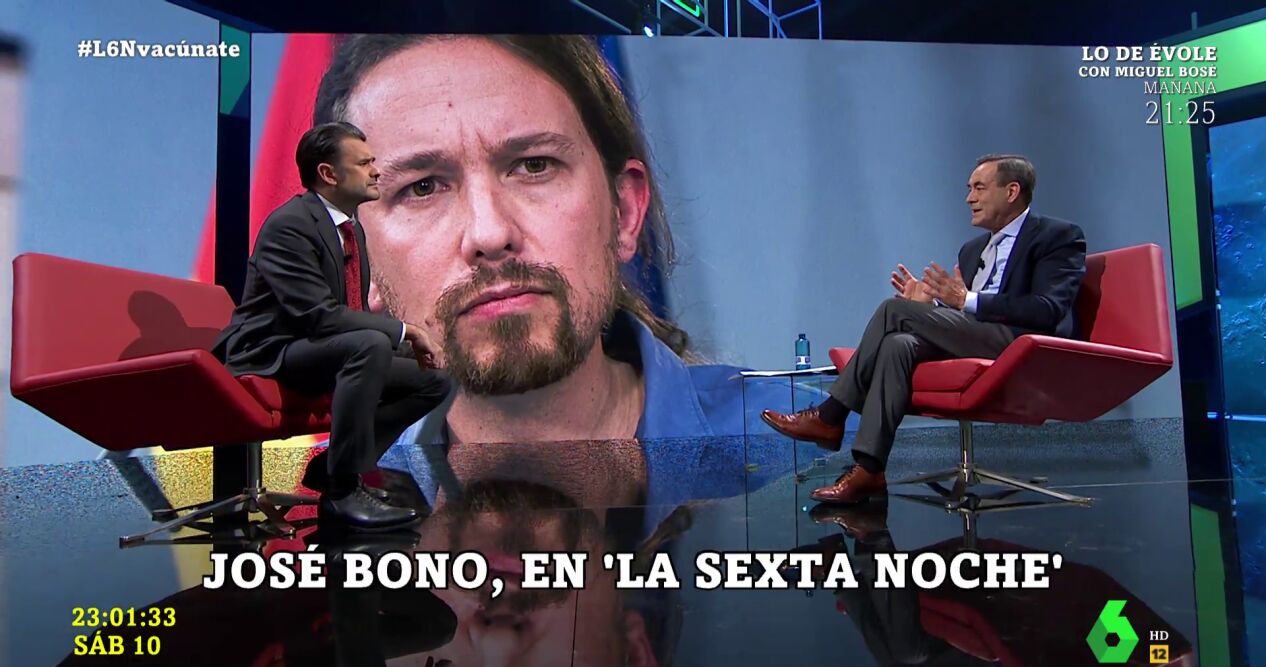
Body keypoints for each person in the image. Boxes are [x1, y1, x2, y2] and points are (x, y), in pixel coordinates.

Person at [308, 34, 797, 447]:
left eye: (534, 165)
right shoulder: (311, 501)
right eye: (422, 188)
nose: (490, 234)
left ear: (625, 213)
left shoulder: (806, 450)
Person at [761, 155, 1086, 503]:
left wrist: (963, 300)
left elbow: (1048, 310)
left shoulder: (1057, 236)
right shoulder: (973, 250)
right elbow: (963, 313)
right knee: (897, 344)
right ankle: (869, 469)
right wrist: (929, 307)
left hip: (1021, 345)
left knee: (893, 310)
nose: (969, 198)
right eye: (969, 189)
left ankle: (830, 415)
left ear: (1011, 191)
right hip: (978, 335)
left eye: (979, 188)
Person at [211, 121, 451, 529]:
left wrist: (405, 345)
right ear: (329, 173)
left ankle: (333, 468)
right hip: (272, 352)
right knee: (370, 345)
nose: (376, 171)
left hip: (319, 348)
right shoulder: (290, 225)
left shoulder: (350, 229)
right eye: (364, 163)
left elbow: (345, 314)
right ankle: (342, 493)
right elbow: (319, 316)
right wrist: (405, 331)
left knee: (434, 380)